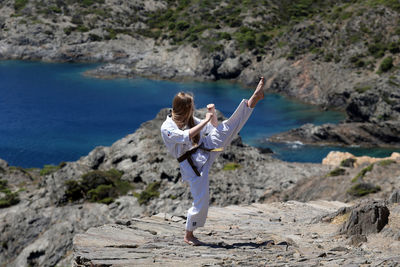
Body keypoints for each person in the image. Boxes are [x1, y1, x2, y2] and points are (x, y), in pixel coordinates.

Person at [160, 77, 265, 245]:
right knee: (201, 199)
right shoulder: (167, 127)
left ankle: (253, 100)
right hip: (192, 164)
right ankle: (189, 235)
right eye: (191, 107)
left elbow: (214, 127)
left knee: (227, 128)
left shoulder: (189, 119)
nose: (193, 110)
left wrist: (212, 114)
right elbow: (185, 136)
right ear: (184, 108)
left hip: (204, 148)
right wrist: (207, 120)